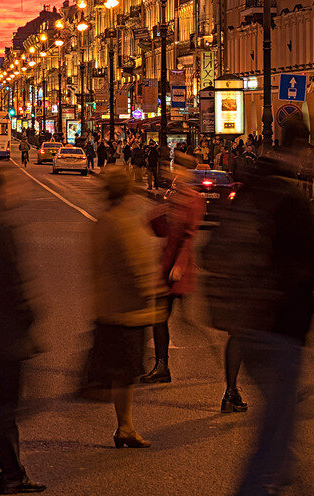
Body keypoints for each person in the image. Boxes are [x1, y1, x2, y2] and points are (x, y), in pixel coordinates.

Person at [201, 118, 314, 496]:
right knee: (274, 434)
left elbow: (214, 250)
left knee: (281, 424)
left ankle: (292, 479)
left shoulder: (249, 189)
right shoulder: (290, 199)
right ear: (304, 149)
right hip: (279, 326)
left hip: (245, 325)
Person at [0, 166, 45, 495]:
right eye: (16, 185)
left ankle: (10, 471)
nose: (21, 191)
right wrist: (29, 315)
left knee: (10, 402)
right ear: (3, 189)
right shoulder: (1, 226)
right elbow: (14, 280)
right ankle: (9, 472)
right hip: (10, 328)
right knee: (12, 404)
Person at [87, 167, 165, 449]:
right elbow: (137, 267)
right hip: (129, 311)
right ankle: (125, 427)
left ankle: (125, 427)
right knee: (126, 373)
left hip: (108, 307)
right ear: (127, 192)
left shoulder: (102, 222)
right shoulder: (123, 223)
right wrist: (153, 296)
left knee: (121, 372)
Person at [144, 153, 202, 384]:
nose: (173, 171)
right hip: (166, 264)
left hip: (178, 270)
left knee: (180, 321)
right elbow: (159, 230)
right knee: (160, 318)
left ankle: (164, 365)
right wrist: (162, 210)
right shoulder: (173, 196)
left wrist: (179, 265)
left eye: (177, 168)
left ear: (187, 172)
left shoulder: (195, 200)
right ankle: (161, 365)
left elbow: (189, 236)